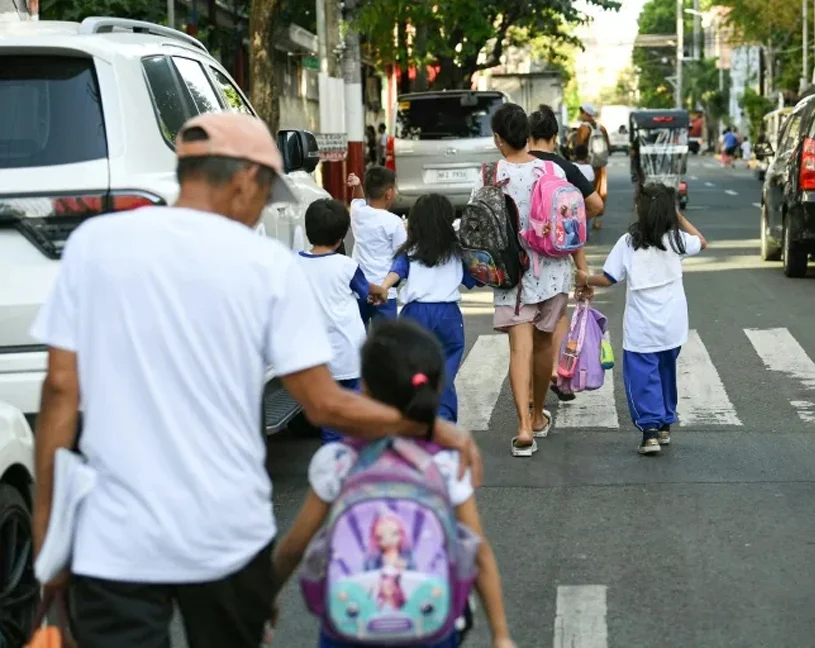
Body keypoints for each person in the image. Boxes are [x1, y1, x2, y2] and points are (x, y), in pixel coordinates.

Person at [29, 112, 481, 648]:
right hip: (224, 536)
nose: (262, 209)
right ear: (244, 178)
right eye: (266, 193)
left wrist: (47, 542)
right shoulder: (266, 264)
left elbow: (59, 395)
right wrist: (426, 426)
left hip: (114, 541)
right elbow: (324, 405)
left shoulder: (95, 244)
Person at [272, 320, 516, 648]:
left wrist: (264, 599)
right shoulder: (445, 463)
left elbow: (293, 549)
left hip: (350, 627)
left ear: (366, 390)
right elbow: (478, 551)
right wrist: (500, 635)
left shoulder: (338, 461)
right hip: (429, 625)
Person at [472, 103, 576, 457]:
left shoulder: (490, 175)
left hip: (511, 275)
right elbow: (568, 221)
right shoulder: (551, 171)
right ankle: (537, 415)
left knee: (519, 348)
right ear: (528, 137)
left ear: (499, 139)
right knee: (545, 344)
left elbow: (479, 225)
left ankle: (523, 428)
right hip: (553, 270)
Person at [577, 183, 708, 455]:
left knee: (642, 378)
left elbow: (608, 278)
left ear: (640, 209)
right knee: (666, 372)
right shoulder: (676, 240)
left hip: (641, 328)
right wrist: (679, 217)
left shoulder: (628, 242)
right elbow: (702, 242)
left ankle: (650, 430)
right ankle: (664, 424)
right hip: (673, 326)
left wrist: (585, 279)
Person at [377, 193, 479, 423]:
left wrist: (383, 287)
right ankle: (443, 421)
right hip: (448, 316)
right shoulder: (458, 252)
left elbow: (396, 272)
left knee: (413, 370)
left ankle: (414, 417)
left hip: (415, 315)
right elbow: (475, 280)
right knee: (444, 373)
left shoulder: (410, 251)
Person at [296, 198, 382, 444]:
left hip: (315, 356)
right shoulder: (347, 265)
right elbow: (366, 293)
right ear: (341, 236)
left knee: (330, 417)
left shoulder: (294, 262)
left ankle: (334, 462)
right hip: (349, 352)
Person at [526, 105, 598, 403]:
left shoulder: (517, 166)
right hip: (556, 258)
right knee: (557, 316)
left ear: (528, 136)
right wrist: (566, 226)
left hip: (523, 257)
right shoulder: (565, 169)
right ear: (555, 137)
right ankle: (554, 367)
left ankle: (530, 392)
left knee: (526, 325)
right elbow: (595, 206)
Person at [348, 167, 407, 327]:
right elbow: (402, 254)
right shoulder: (394, 222)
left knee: (359, 335)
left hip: (360, 289)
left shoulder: (357, 214)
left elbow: (357, 201)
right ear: (389, 193)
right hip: (385, 290)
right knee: (386, 340)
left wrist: (357, 186)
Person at [574, 103, 610, 230]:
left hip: (587, 164)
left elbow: (579, 146)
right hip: (600, 164)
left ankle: (584, 220)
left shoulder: (584, 128)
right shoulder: (601, 127)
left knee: (585, 191)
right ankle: (597, 220)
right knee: (600, 191)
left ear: (585, 113)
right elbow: (608, 146)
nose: (580, 115)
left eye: (581, 112)